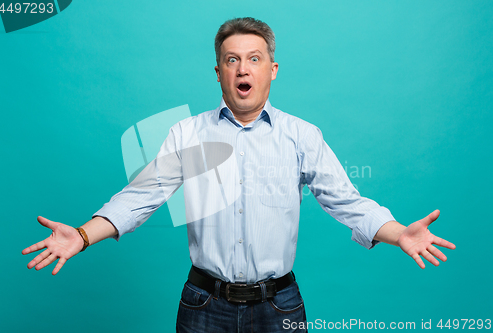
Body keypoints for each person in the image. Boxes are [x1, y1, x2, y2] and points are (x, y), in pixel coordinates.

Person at [22, 17, 456, 333]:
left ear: (272, 69)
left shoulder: (302, 135)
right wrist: (80, 236)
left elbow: (347, 201)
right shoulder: (187, 133)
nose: (243, 68)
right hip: (204, 304)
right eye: (232, 60)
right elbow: (140, 198)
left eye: (254, 58)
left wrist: (400, 234)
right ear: (218, 73)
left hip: (280, 306)